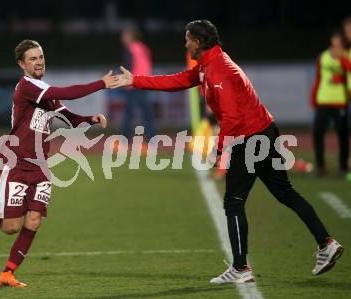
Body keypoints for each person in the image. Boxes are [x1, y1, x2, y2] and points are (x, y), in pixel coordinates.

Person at [112, 20, 344, 284]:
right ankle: (326, 243)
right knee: (285, 192)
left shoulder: (218, 70)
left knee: (233, 202)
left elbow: (232, 118)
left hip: (251, 138)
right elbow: (179, 80)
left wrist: (219, 150)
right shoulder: (210, 64)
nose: (185, 43)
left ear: (198, 42)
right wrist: (137, 80)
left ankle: (240, 268)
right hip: (263, 131)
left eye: (188, 39)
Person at [0, 39, 115, 288]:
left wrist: (90, 119)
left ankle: (7, 273)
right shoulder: (27, 87)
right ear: (22, 64)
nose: (39, 61)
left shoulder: (44, 90)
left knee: (33, 221)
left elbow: (66, 116)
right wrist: (101, 84)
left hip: (40, 166)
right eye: (33, 58)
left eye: (41, 56)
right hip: (15, 164)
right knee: (11, 227)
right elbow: (64, 92)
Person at [310, 30, 349, 177]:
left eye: (339, 40)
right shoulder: (324, 56)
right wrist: (314, 98)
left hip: (340, 102)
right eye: (335, 39)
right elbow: (318, 78)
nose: (336, 42)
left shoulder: (346, 56)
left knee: (342, 136)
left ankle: (343, 168)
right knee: (317, 133)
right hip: (323, 101)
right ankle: (320, 167)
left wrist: (342, 61)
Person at [120, 27, 156, 144]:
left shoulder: (130, 49)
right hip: (145, 83)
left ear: (131, 36)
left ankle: (124, 139)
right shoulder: (144, 47)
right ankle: (152, 138)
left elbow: (127, 68)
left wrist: (120, 79)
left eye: (125, 35)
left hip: (134, 85)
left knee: (129, 113)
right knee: (147, 113)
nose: (123, 38)